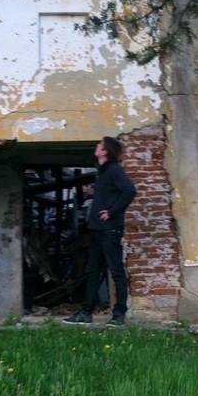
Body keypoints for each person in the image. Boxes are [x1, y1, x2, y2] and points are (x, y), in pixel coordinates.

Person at [63, 136, 136, 327]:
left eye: (100, 145)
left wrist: (112, 211)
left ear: (105, 151)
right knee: (92, 271)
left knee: (116, 271)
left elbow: (129, 190)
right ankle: (86, 313)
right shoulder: (103, 172)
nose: (96, 146)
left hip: (110, 230)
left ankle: (119, 315)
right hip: (97, 230)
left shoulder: (113, 169)